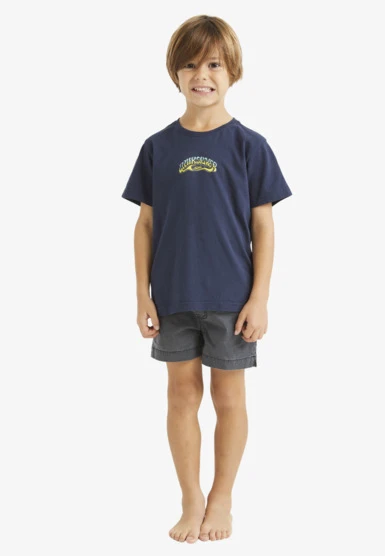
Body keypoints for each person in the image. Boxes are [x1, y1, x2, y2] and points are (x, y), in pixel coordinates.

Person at [121, 14, 293, 543]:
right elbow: (145, 224)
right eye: (191, 64)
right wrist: (142, 294)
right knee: (180, 396)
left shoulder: (249, 146)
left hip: (231, 300)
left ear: (232, 72)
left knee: (229, 398)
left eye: (214, 64)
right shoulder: (157, 147)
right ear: (175, 72)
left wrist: (260, 298)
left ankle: (222, 499)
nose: (202, 75)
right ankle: (190, 498)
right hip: (173, 297)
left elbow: (264, 226)